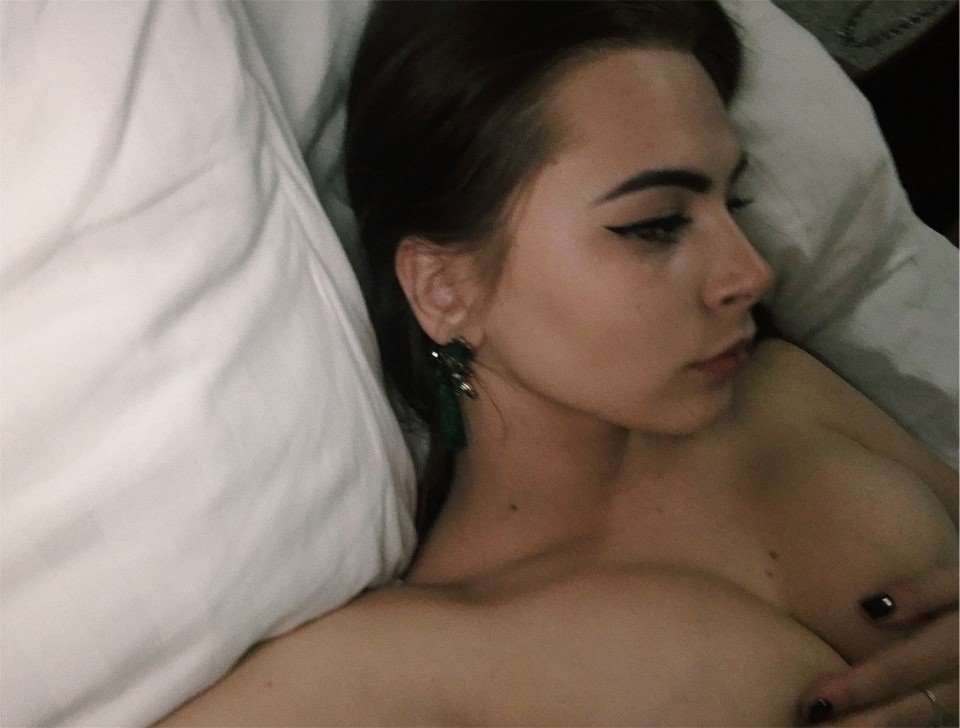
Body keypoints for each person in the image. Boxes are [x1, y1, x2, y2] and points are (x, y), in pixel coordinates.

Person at [159, 2, 958, 725]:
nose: (751, 272)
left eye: (734, 203)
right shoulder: (409, 664)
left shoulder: (785, 391)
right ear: (445, 289)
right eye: (654, 224)